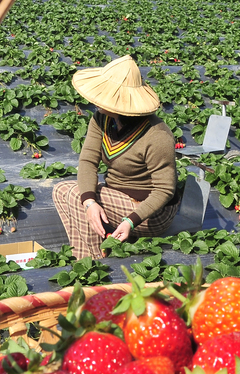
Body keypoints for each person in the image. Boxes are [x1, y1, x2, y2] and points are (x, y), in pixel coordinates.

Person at [52, 55, 180, 259]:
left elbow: (164, 190)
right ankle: (87, 255)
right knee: (62, 191)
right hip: (117, 196)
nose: (94, 100)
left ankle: (94, 263)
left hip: (149, 212)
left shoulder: (157, 135)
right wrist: (90, 204)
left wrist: (130, 221)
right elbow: (87, 161)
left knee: (75, 195)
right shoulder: (101, 119)